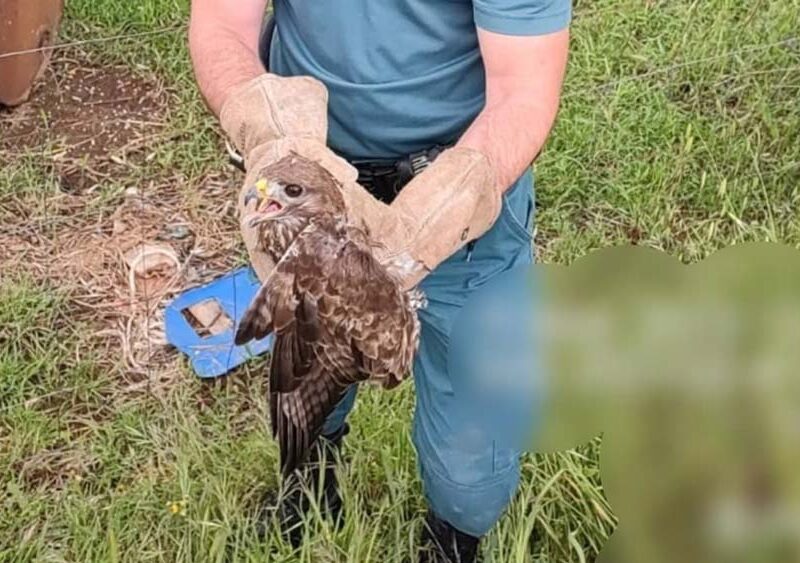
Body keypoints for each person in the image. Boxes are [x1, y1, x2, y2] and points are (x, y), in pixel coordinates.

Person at [189, 0, 570, 560]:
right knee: (305, 359)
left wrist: (433, 220)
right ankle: (310, 488)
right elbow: (223, 25)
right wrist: (272, 141)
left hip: (463, 192)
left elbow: (522, 92)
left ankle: (454, 540)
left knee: (475, 401)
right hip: (314, 180)